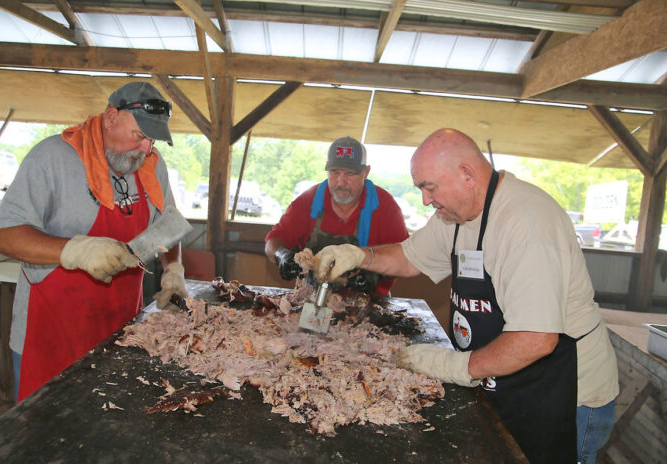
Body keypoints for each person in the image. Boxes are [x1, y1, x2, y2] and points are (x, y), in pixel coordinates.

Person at [313, 129, 618, 464]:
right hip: (502, 378)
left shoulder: (527, 223)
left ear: (467, 176)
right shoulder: (455, 215)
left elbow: (537, 338)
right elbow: (408, 256)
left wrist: (455, 364)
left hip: (564, 394)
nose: (426, 200)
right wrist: (359, 255)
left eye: (429, 187)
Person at [0, 82, 188, 403]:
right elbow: (4, 236)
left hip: (121, 330)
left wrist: (173, 268)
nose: (145, 148)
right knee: (42, 440)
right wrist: (74, 250)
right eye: (139, 136)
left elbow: (166, 227)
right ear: (111, 117)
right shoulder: (52, 158)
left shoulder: (151, 164)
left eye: (152, 140)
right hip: (52, 333)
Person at [264, 136, 409, 296]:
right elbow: (272, 242)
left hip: (370, 305)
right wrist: (282, 255)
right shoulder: (308, 201)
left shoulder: (385, 207)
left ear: (365, 172)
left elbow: (406, 256)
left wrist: (375, 273)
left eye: (350, 174)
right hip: (310, 301)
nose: (341, 182)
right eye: (335, 172)